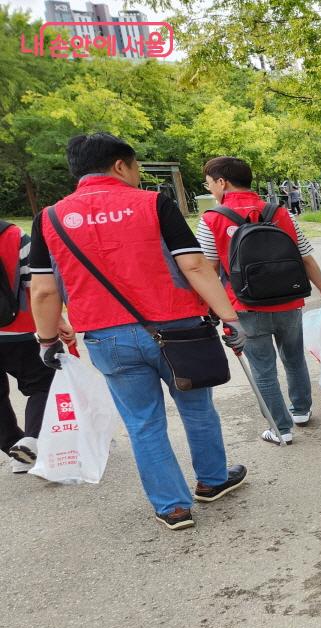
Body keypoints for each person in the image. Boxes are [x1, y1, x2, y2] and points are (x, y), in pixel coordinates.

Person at [29, 132, 248, 530]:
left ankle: (173, 507)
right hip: (179, 328)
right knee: (197, 409)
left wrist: (47, 339)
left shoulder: (51, 218)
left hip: (106, 337)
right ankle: (213, 481)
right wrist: (230, 318)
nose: (135, 174)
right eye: (134, 167)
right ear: (119, 165)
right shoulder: (153, 203)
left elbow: (44, 289)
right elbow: (195, 266)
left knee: (143, 422)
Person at [198, 156, 321, 444]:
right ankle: (301, 410)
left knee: (263, 369)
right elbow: (305, 257)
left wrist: (210, 309)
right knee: (294, 358)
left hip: (245, 306)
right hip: (289, 301)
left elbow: (207, 270)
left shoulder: (212, 219)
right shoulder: (280, 212)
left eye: (210, 183)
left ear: (222, 182)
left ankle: (281, 429)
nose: (210, 188)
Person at [0, 220, 72, 474]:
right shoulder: (13, 236)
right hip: (16, 330)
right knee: (42, 383)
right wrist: (56, 322)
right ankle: (29, 441)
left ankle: (14, 446)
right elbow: (36, 287)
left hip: (15, 332)